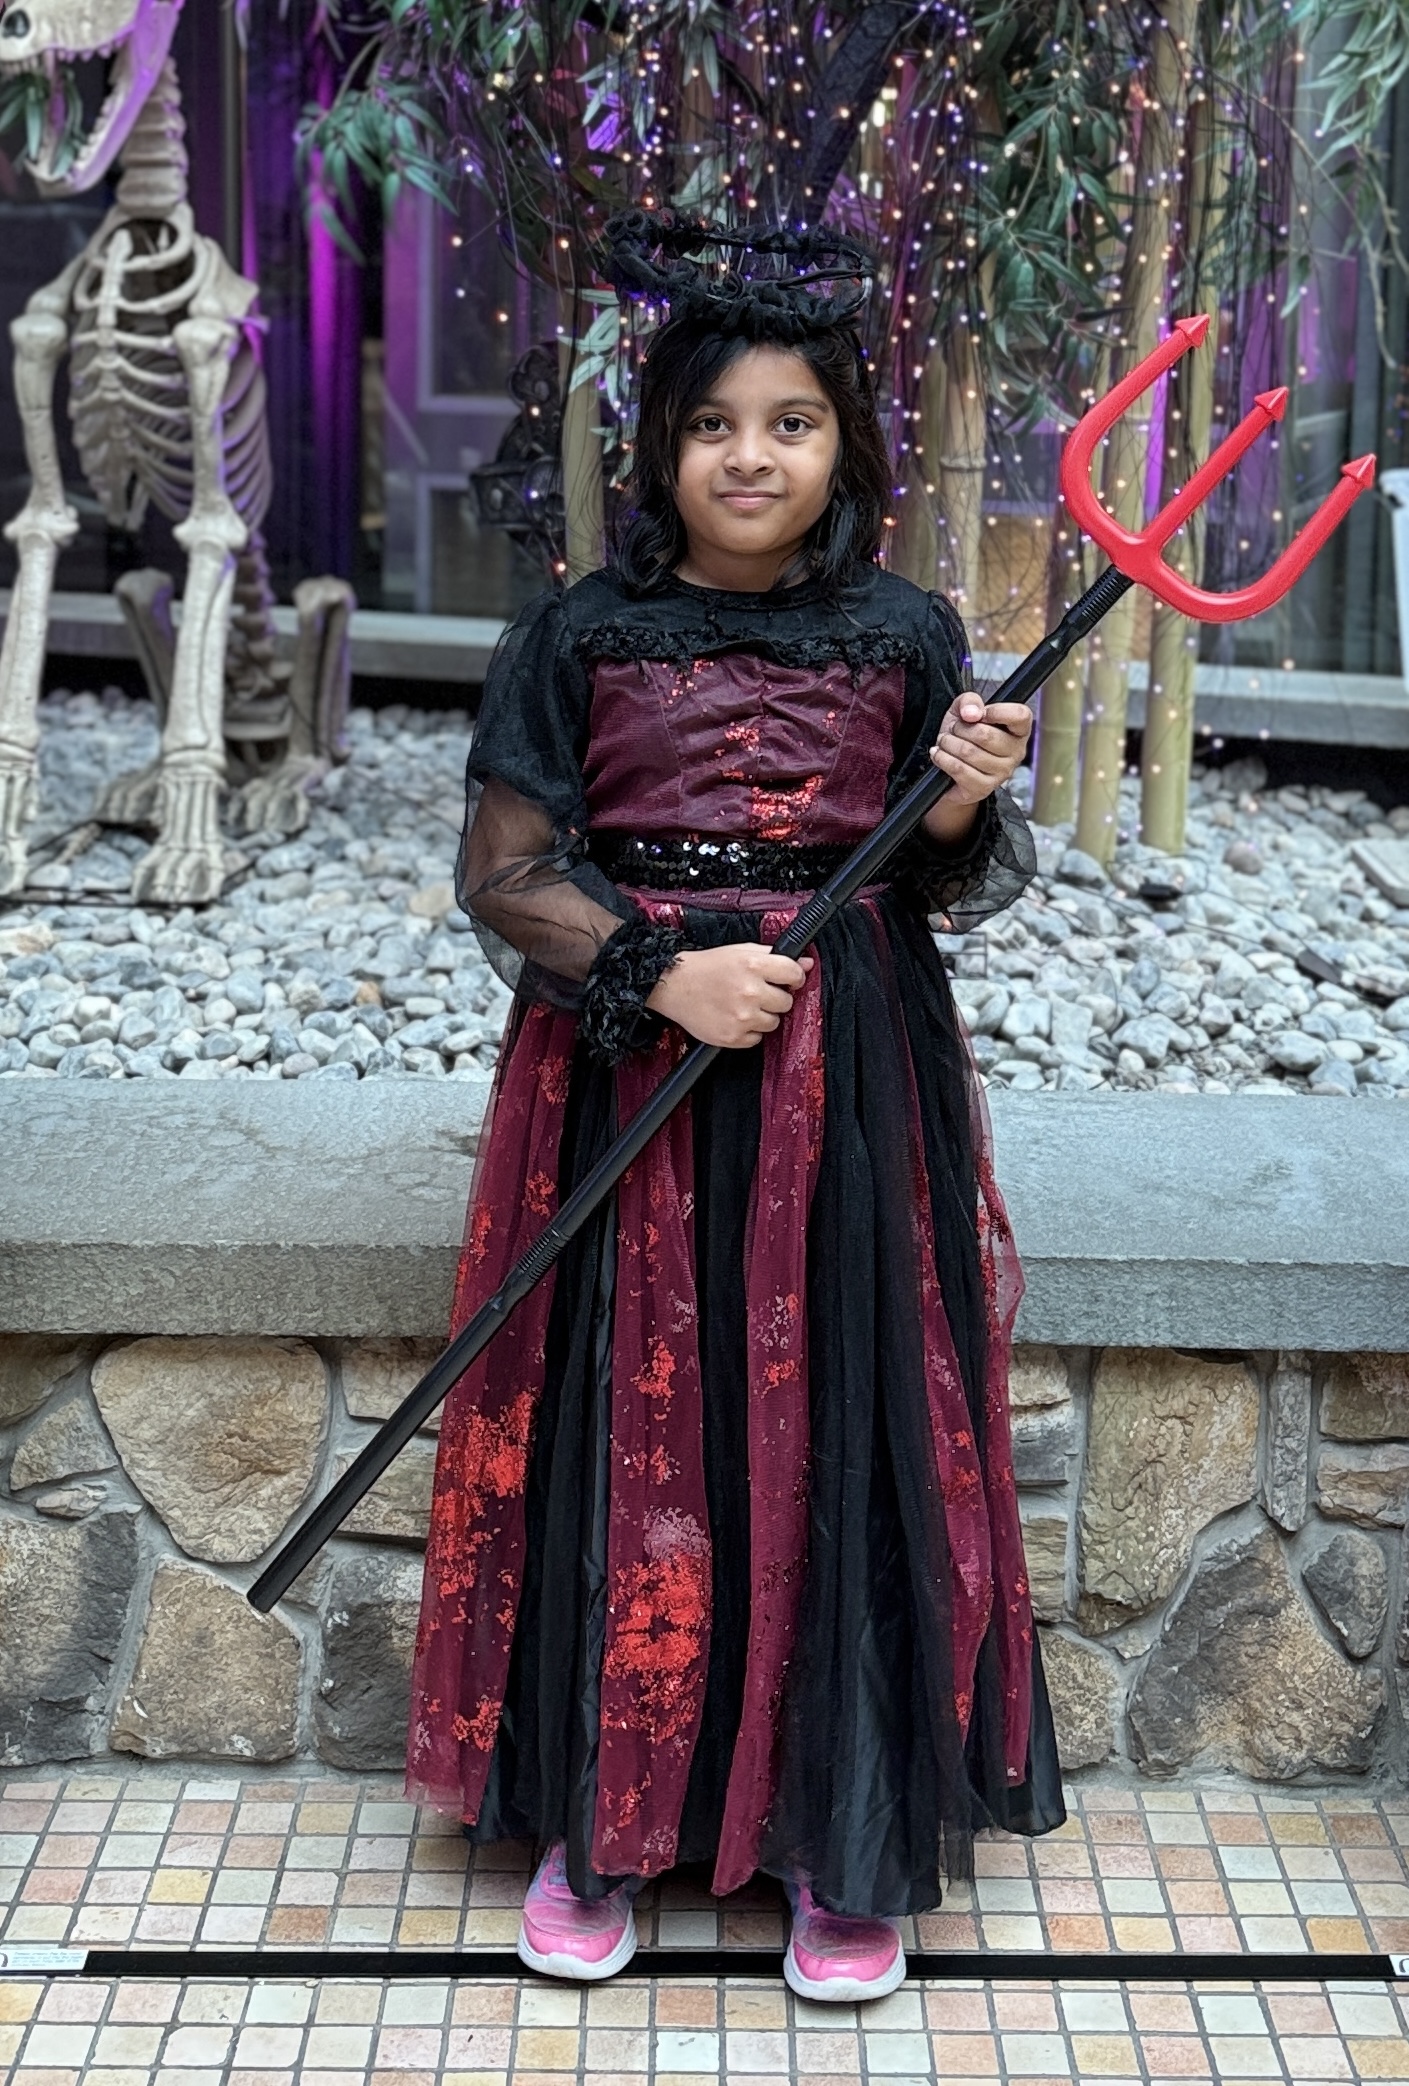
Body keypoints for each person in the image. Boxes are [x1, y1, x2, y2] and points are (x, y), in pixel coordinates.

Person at [407, 213, 1064, 2003]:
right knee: (629, 1417)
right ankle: (601, 1819)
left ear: (845, 444)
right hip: (635, 1068)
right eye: (712, 424)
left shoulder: (905, 632)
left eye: (790, 422)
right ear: (659, 446)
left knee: (840, 1419)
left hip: (843, 1083)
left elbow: (932, 874)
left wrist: (953, 794)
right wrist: (659, 971)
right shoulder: (579, 631)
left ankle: (839, 1835)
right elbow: (507, 869)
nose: (749, 457)